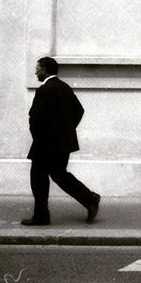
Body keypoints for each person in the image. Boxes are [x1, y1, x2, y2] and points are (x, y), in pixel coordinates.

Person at [22, 56, 100, 226]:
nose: (35, 71)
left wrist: (38, 136)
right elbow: (79, 110)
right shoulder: (64, 87)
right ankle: (89, 199)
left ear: (45, 70)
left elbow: (34, 118)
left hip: (45, 144)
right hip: (63, 143)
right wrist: (66, 131)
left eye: (38, 68)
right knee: (59, 174)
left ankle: (41, 215)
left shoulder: (44, 90)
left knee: (38, 177)